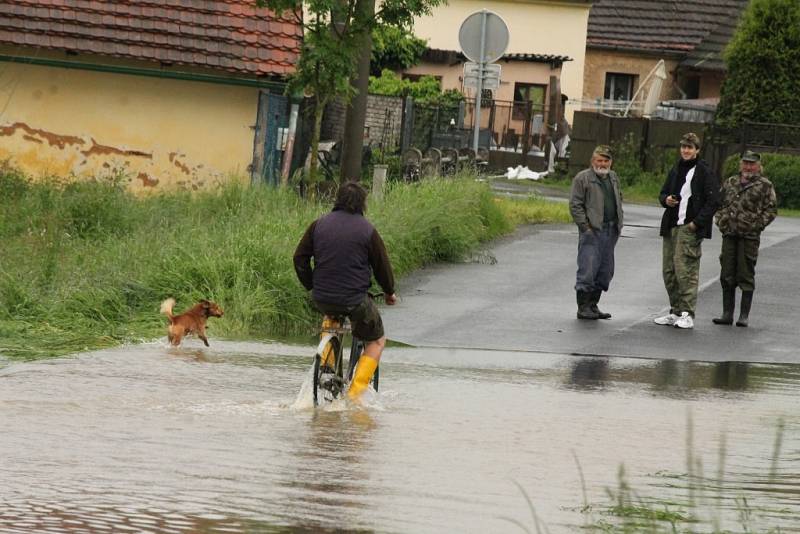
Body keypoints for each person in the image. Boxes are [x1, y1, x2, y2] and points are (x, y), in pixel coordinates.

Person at [293, 182, 397, 401]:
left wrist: (311, 285)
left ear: (337, 200)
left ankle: (328, 369)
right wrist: (389, 292)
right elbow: (381, 267)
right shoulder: (367, 230)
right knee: (377, 339)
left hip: (322, 298)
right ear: (363, 203)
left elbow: (299, 258)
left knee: (330, 316)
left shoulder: (318, 225)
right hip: (354, 301)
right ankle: (356, 392)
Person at [653, 133, 720, 329]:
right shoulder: (676, 168)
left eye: (690, 147)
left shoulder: (704, 171)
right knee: (669, 271)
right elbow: (662, 192)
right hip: (671, 226)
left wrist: (696, 223)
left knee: (686, 272)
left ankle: (687, 314)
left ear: (697, 150)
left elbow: (714, 200)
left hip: (688, 228)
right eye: (683, 147)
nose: (686, 150)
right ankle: (675, 311)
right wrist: (666, 200)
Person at [712, 150, 777, 327]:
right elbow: (719, 203)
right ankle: (727, 314)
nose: (748, 167)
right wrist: (722, 221)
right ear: (741, 165)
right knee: (726, 273)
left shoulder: (765, 185)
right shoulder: (731, 182)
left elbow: (771, 210)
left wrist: (757, 225)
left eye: (752, 164)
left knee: (746, 273)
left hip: (749, 237)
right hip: (729, 234)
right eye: (745, 163)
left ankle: (743, 315)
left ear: (758, 166)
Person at [569, 144, 624, 320]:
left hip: (611, 230)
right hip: (592, 231)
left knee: (605, 270)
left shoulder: (613, 178)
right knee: (588, 268)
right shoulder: (582, 178)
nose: (602, 163)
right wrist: (585, 227)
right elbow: (575, 204)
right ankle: (583, 307)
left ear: (611, 162)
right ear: (593, 160)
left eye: (606, 160)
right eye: (599, 160)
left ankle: (593, 305)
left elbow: (619, 199)